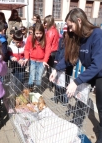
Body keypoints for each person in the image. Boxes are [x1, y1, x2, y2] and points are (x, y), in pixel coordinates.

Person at [49, 8, 102, 143]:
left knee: (100, 106)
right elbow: (70, 58)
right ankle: (76, 126)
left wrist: (76, 81)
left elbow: (97, 65)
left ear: (79, 20)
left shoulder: (97, 35)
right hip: (91, 72)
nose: (70, 30)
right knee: (80, 97)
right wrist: (56, 69)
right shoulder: (79, 38)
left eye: (70, 26)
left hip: (100, 73)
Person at [23, 23, 49, 92]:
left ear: (43, 32)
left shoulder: (45, 39)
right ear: (34, 32)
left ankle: (37, 92)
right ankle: (30, 91)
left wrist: (45, 61)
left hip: (41, 61)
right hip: (32, 60)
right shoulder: (30, 38)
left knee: (39, 77)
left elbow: (47, 50)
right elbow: (26, 49)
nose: (38, 35)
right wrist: (26, 58)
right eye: (37, 33)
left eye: (40, 33)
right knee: (31, 76)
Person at [53, 24, 73, 105]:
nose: (66, 34)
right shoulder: (61, 40)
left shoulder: (72, 42)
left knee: (66, 82)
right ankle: (56, 96)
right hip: (59, 63)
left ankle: (65, 99)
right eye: (65, 32)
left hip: (67, 66)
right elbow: (58, 50)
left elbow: (71, 57)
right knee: (57, 81)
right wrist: (56, 59)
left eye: (67, 32)